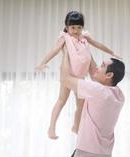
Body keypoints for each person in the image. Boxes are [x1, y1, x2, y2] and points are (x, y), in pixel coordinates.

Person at [35, 11, 121, 139]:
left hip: (80, 77)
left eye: (79, 27)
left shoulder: (84, 38)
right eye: (73, 27)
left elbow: (98, 44)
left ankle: (76, 126)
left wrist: (112, 52)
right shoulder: (65, 38)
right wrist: (43, 62)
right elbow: (55, 50)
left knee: (81, 104)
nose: (76, 31)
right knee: (61, 100)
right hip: (68, 75)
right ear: (67, 26)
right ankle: (51, 127)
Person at [60, 46, 125, 157]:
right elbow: (95, 74)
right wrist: (86, 51)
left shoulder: (97, 91)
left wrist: (65, 53)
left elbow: (65, 79)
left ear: (109, 75)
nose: (97, 67)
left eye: (102, 66)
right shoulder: (119, 95)